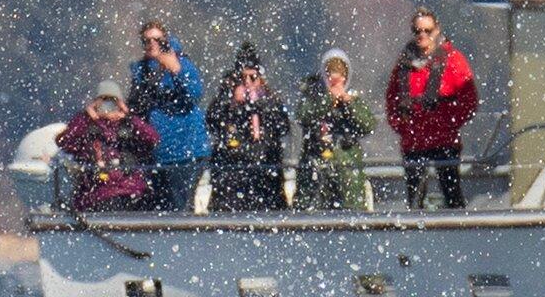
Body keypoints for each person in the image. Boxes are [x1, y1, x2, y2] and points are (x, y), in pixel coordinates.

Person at [386, 8, 479, 210]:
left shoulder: (453, 59)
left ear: (437, 31)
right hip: (413, 142)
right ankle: (416, 236)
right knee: (415, 198)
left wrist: (448, 122)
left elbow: (469, 98)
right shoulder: (403, 64)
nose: (422, 35)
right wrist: (402, 125)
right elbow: (392, 100)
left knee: (451, 192)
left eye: (427, 30)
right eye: (417, 31)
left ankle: (457, 233)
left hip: (444, 141)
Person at [203, 44, 295, 212]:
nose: (247, 83)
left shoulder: (270, 100)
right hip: (232, 177)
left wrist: (259, 105)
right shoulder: (226, 100)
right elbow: (212, 121)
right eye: (241, 78)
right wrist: (230, 101)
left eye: (252, 78)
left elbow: (283, 127)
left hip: (264, 175)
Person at [126, 20, 207, 209]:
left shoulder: (182, 63)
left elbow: (194, 94)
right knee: (160, 208)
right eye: (147, 41)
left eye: (158, 40)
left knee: (179, 207)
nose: (152, 44)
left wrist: (176, 71)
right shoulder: (142, 72)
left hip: (185, 150)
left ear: (166, 40)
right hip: (157, 152)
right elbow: (137, 107)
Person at [53, 80, 158, 214]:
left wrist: (129, 117)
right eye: (103, 102)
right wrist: (87, 117)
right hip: (97, 192)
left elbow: (153, 139)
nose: (108, 107)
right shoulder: (87, 127)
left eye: (113, 102)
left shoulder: (129, 125)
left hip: (131, 190)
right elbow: (64, 141)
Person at [295, 50, 375, 210]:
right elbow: (303, 116)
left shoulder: (353, 99)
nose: (336, 82)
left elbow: (367, 125)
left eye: (340, 76)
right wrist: (328, 99)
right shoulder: (312, 95)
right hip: (315, 170)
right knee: (312, 214)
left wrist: (348, 104)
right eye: (331, 76)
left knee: (351, 216)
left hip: (348, 172)